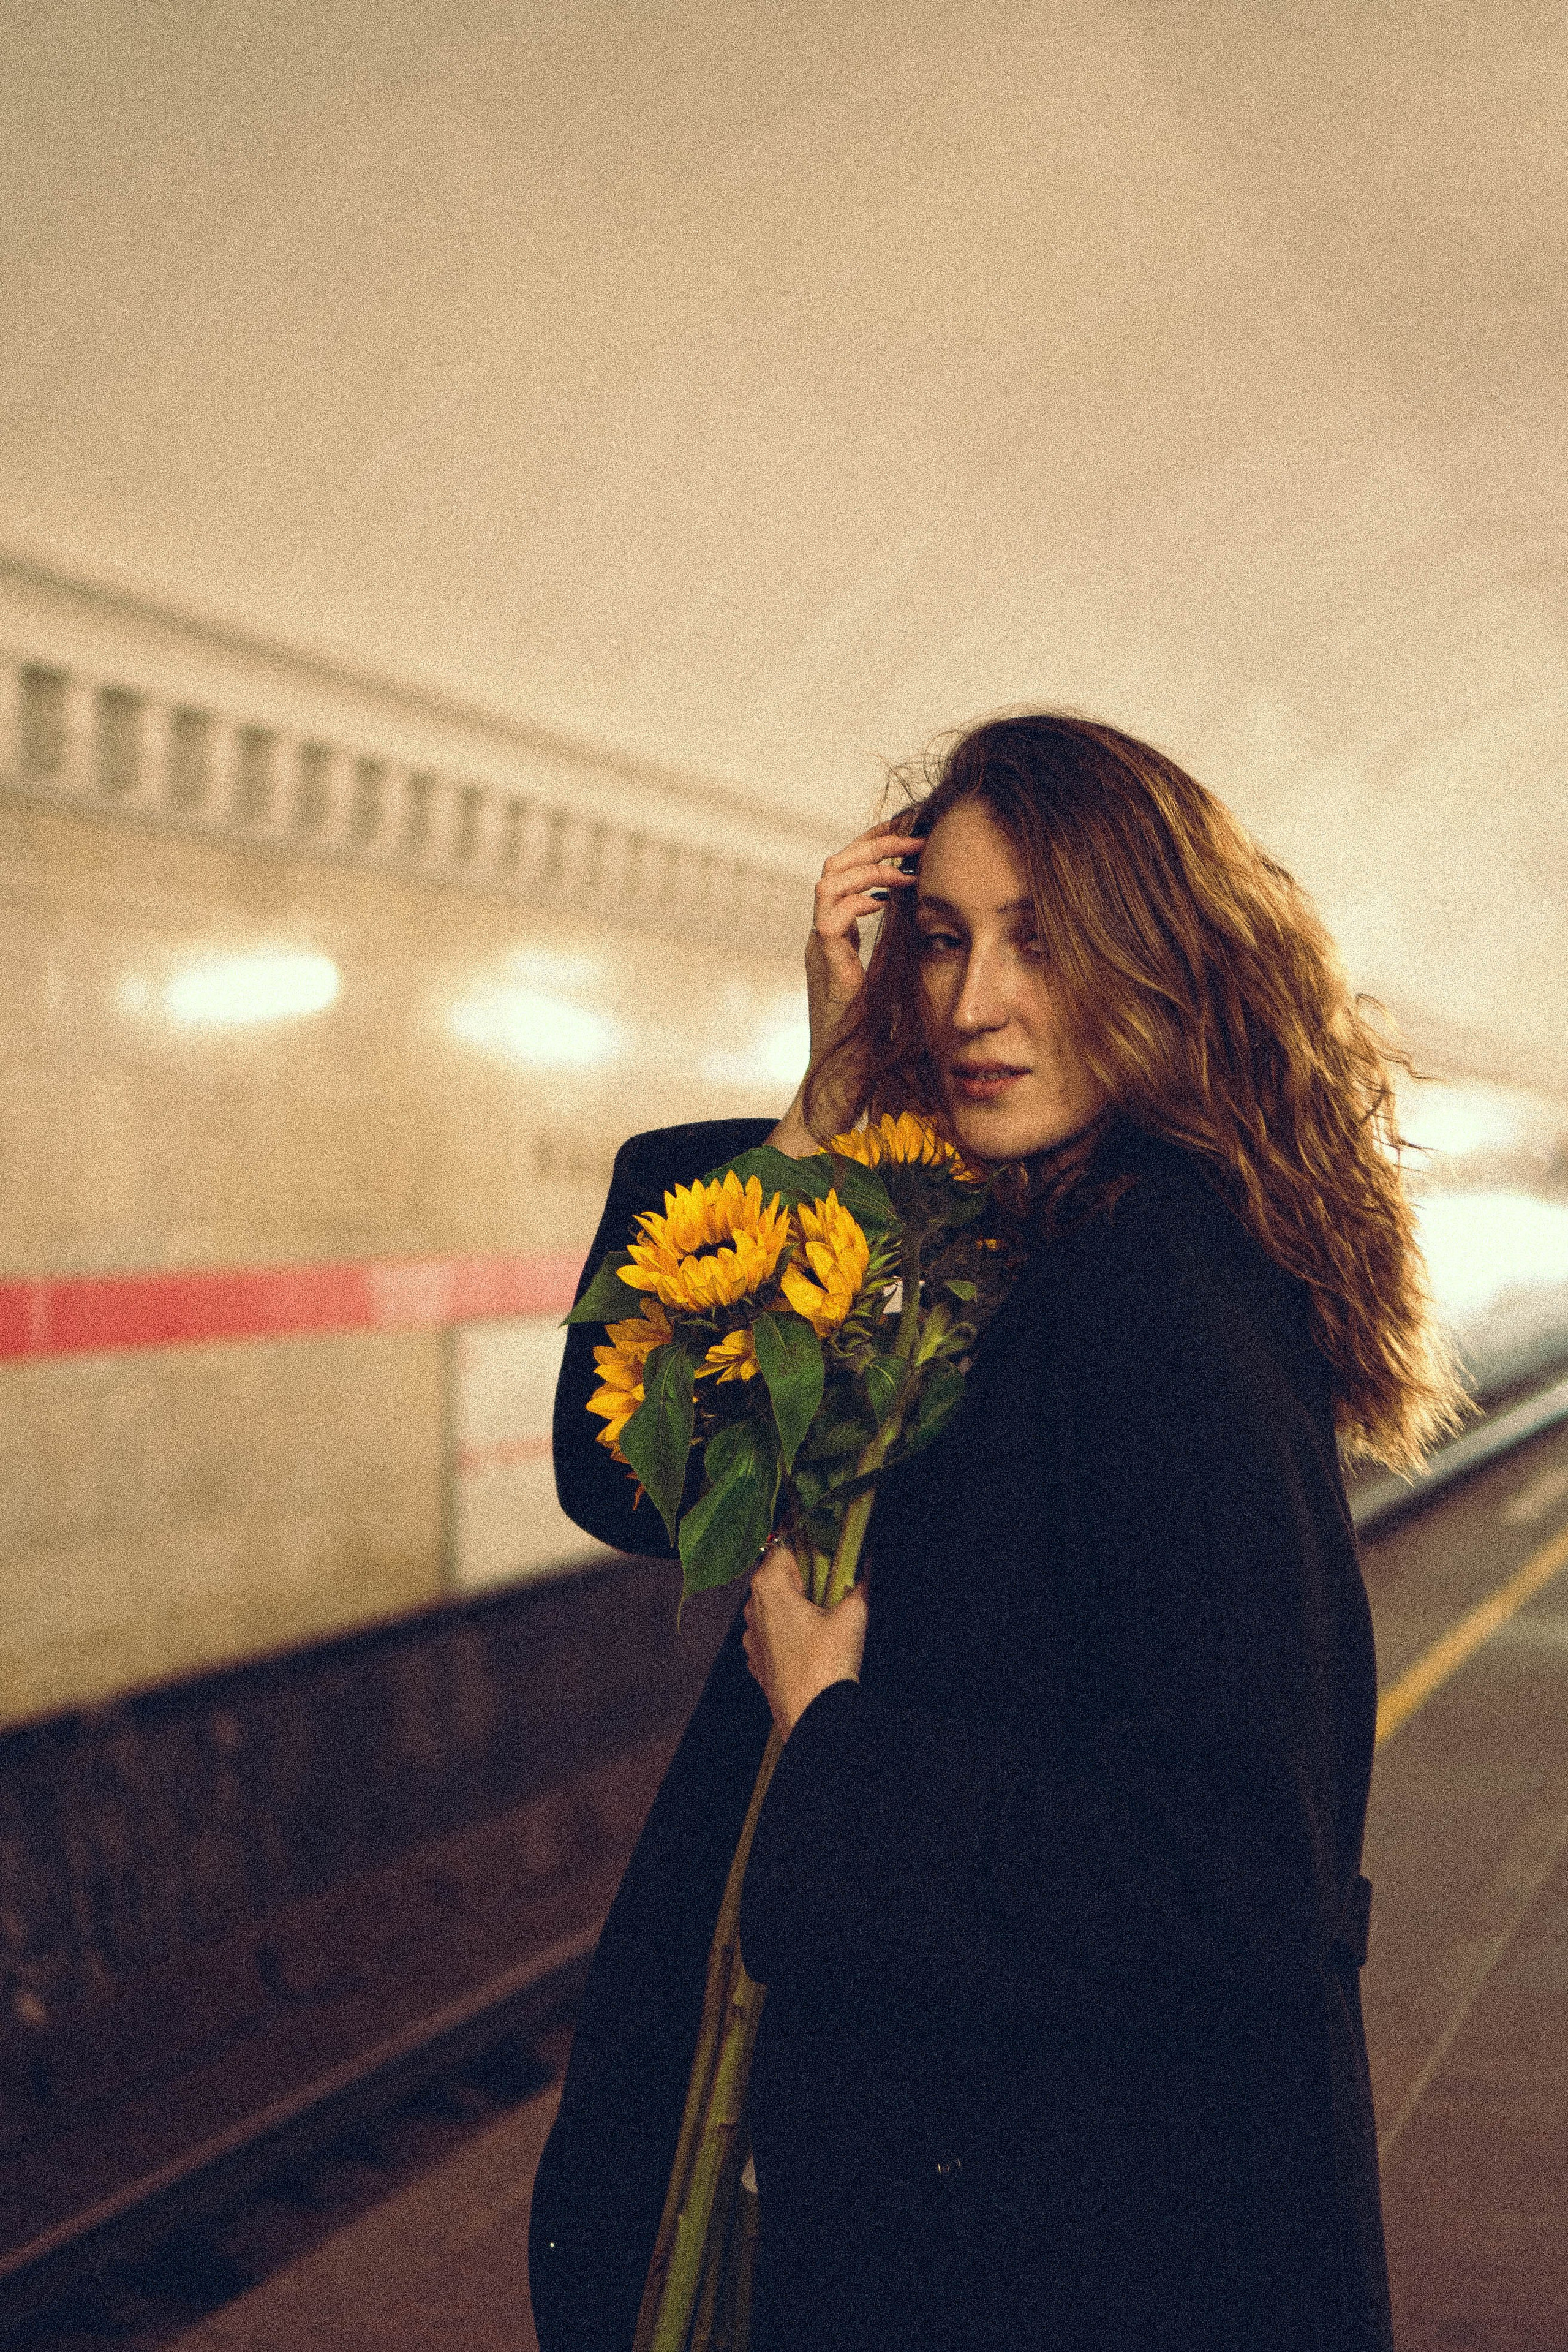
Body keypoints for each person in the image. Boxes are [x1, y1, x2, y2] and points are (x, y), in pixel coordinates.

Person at [530, 712, 1463, 2351]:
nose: (971, 1003)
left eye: (1041, 940)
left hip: (1082, 2241)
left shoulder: (1156, 1301)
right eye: (942, 939)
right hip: (1029, 2206)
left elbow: (1236, 1872)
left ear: (1164, 957)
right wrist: (825, 1098)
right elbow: (637, 1475)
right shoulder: (995, 1239)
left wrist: (834, 1740)